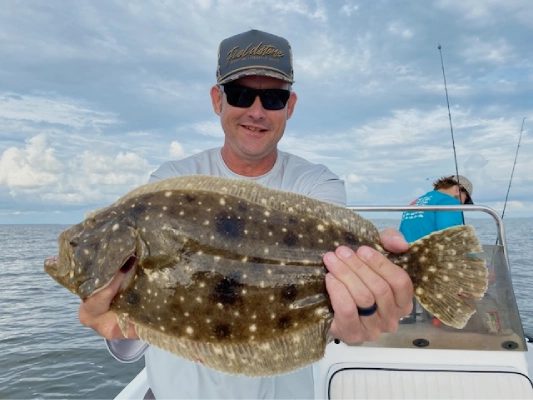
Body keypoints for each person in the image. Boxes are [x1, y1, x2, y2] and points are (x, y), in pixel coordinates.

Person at [78, 29, 414, 400]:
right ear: (217, 100)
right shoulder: (169, 182)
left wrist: (359, 308)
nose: (256, 111)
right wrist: (116, 317)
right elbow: (141, 315)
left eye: (273, 98)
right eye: (240, 94)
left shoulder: (317, 183)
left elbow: (335, 297)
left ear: (290, 106)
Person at [399, 174, 474, 243]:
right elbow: (449, 237)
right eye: (466, 199)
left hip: (407, 252)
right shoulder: (450, 201)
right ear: (458, 189)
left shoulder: (415, 203)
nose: (463, 204)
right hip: (430, 253)